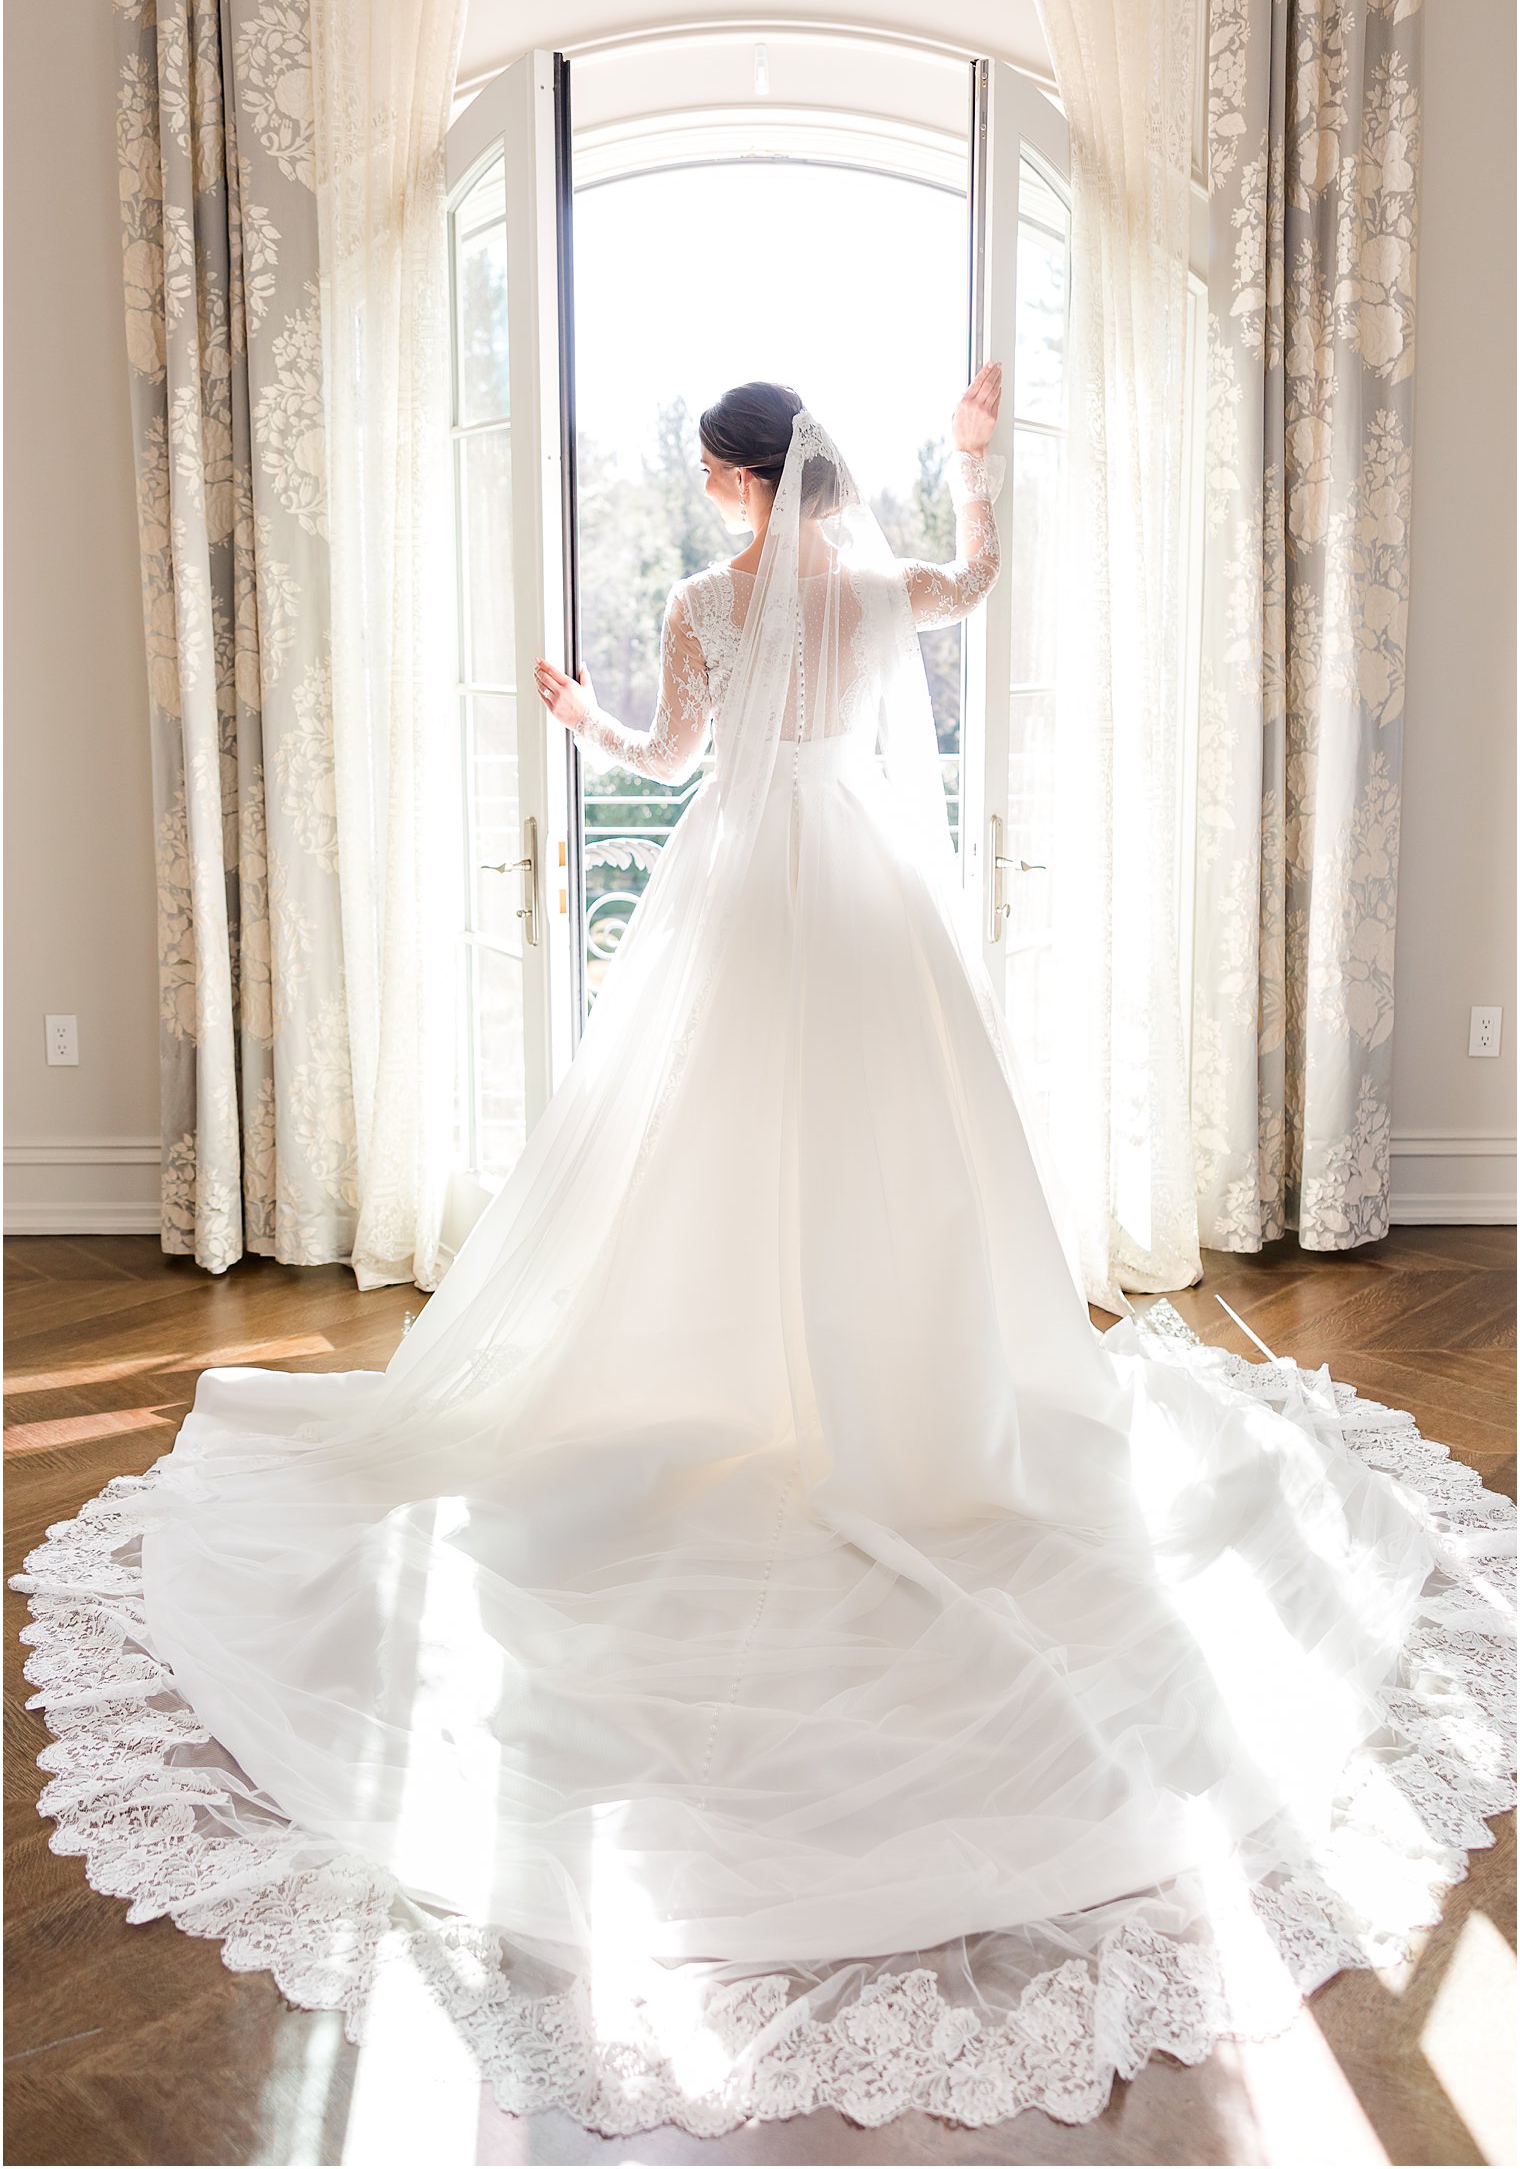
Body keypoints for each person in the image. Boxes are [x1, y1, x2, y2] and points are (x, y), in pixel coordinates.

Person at [14, 381, 1512, 2140]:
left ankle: (715, 1369)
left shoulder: (703, 602)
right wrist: (973, 458)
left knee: (687, 1157)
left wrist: (583, 721)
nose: (714, 494)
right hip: (872, 900)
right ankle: (905, 1387)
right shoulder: (877, 592)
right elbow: (980, 576)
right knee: (899, 1162)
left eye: (711, 473)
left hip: (737, 891)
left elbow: (667, 764)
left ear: (733, 478)